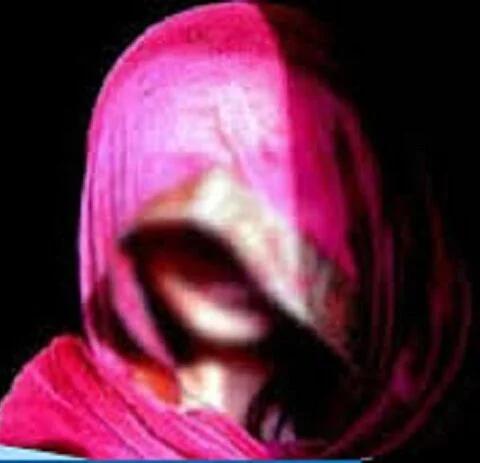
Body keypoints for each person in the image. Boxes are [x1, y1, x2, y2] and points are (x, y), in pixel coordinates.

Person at [0, 1, 471, 459]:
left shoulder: (430, 406)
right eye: (184, 176)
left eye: (284, 172)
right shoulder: (49, 444)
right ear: (110, 221)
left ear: (377, 213)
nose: (236, 223)